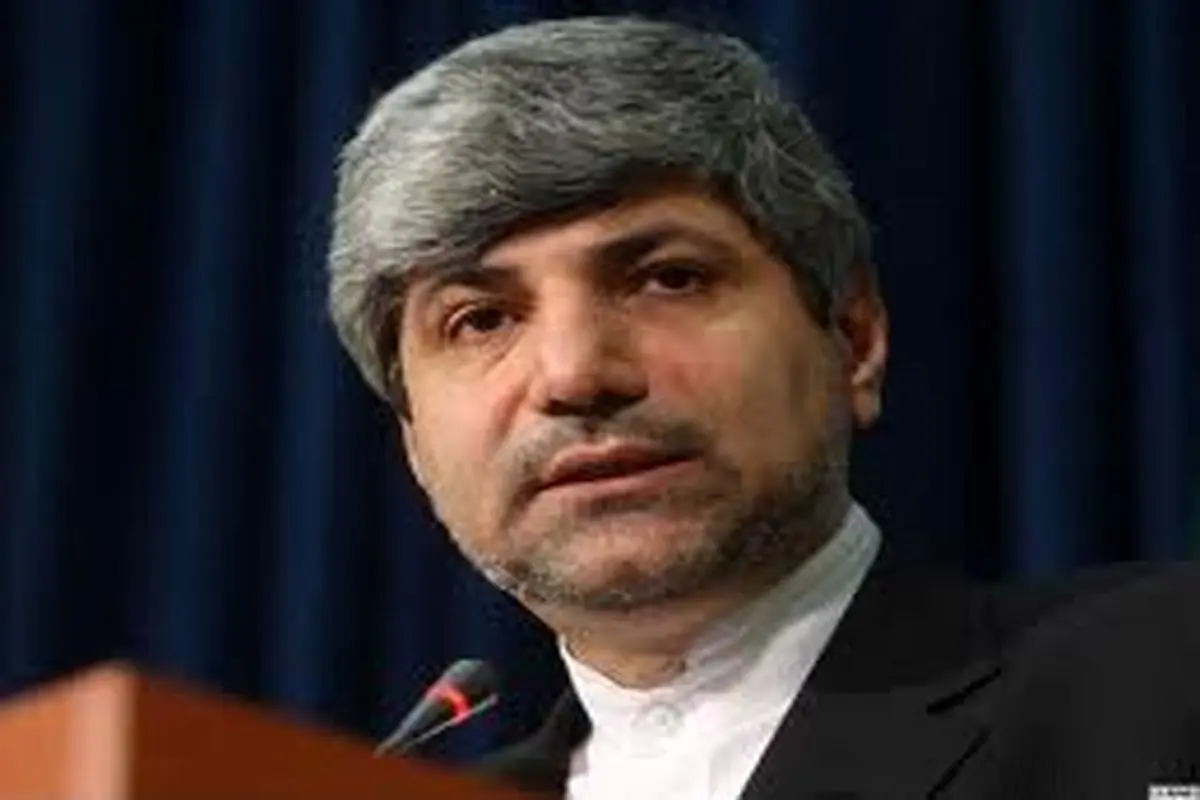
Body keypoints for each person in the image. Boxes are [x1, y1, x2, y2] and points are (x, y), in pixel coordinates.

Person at [325, 15, 1200, 800]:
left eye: (669, 278)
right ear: (414, 442)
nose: (576, 374)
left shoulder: (1164, 678)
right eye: (479, 320)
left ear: (853, 338)